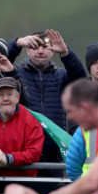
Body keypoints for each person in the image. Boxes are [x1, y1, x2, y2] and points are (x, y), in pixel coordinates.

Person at [7, 29, 86, 171]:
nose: (40, 51)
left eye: (45, 47)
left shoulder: (61, 76)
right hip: (24, 153)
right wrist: (17, 43)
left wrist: (65, 53)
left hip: (54, 154)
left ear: (52, 51)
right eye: (35, 47)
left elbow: (80, 79)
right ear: (28, 51)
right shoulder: (16, 73)